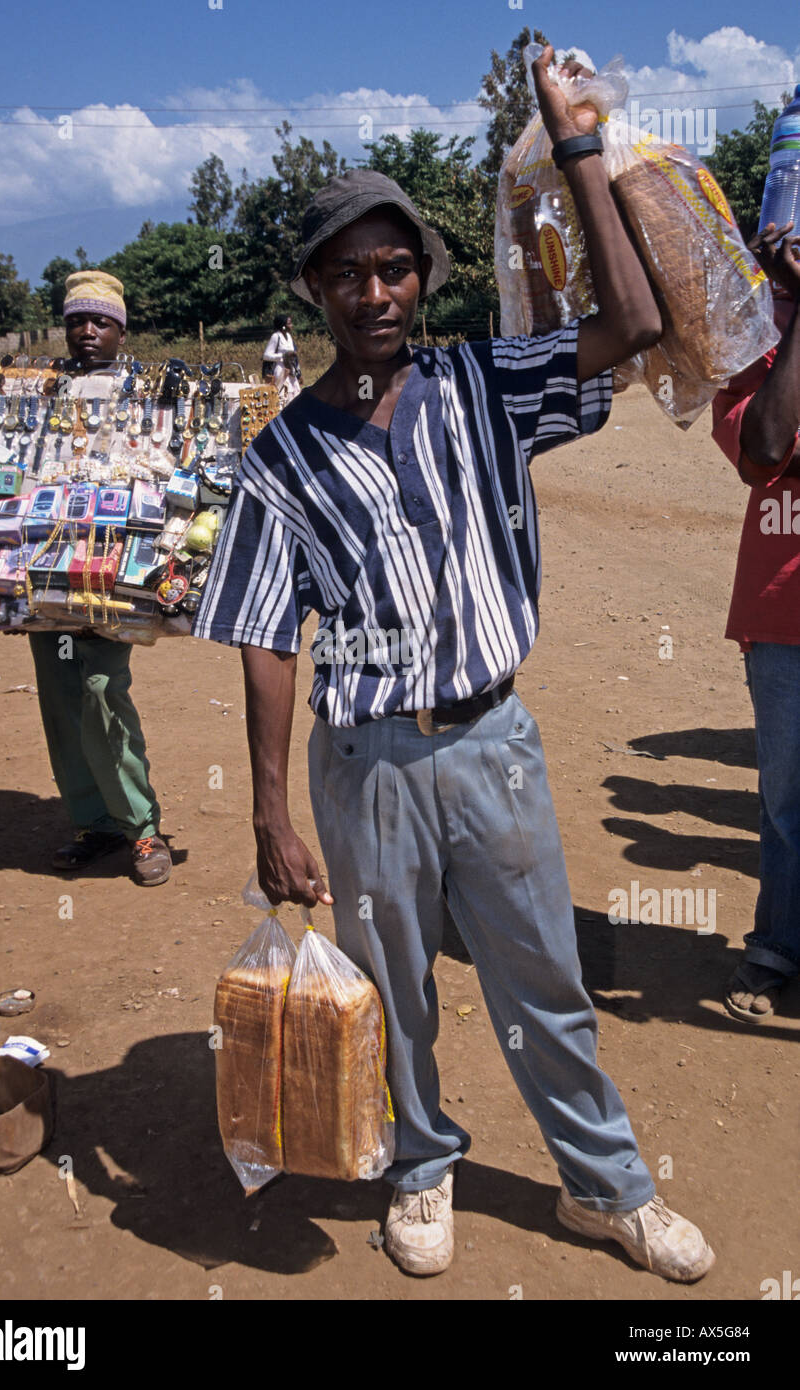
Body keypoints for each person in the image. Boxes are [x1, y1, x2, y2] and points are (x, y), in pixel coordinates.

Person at [195, 45, 714, 1282]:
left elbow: (634, 321)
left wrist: (574, 136)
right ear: (314, 291)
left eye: (392, 265)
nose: (372, 290)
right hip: (363, 762)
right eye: (344, 272)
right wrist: (271, 811)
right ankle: (421, 1166)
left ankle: (608, 1189)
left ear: (422, 277)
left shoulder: (484, 384)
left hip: (490, 747)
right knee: (395, 991)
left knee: (543, 979)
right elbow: (270, 640)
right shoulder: (279, 460)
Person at [27, 270, 172, 887]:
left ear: (120, 327)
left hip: (113, 574)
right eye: (75, 322)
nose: (86, 332)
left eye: (99, 321)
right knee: (61, 701)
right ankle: (94, 824)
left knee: (101, 693)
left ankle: (141, 829)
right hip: (47, 569)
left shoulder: (148, 391)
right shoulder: (43, 390)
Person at [711, 219, 800, 1021]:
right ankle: (778, 947)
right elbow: (767, 450)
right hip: (782, 618)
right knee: (785, 799)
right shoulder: (751, 348)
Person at [262, 314, 300, 404]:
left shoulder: (289, 337)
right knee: (283, 395)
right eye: (289, 323)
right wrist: (283, 356)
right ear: (283, 326)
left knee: (295, 393)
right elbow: (266, 355)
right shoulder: (276, 337)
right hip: (280, 370)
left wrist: (298, 371)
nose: (291, 325)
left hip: (291, 370)